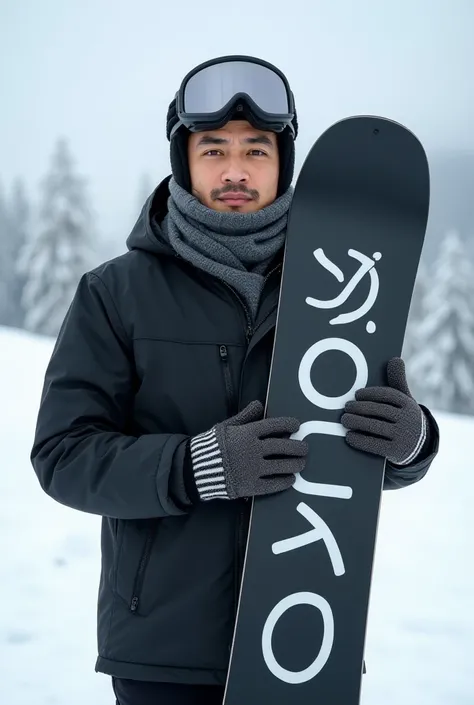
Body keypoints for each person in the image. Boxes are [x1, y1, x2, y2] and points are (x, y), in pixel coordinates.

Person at [31, 55, 439, 705]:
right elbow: (63, 455)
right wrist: (195, 465)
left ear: (284, 161)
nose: (235, 170)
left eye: (256, 149)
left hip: (304, 639)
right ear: (183, 158)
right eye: (213, 147)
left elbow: (346, 457)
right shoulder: (116, 294)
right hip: (163, 652)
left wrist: (411, 442)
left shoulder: (343, 288)